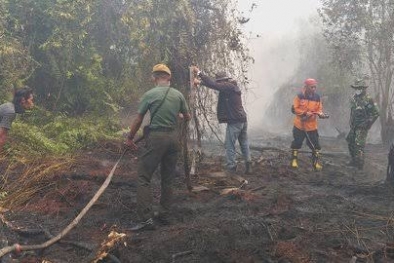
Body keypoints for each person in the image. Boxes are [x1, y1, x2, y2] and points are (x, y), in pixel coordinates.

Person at [125, 63, 190, 230]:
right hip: (173, 139)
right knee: (168, 178)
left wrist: (130, 138)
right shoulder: (178, 95)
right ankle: (165, 214)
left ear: (154, 78)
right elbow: (187, 116)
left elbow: (139, 119)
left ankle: (145, 219)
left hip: (156, 138)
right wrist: (178, 115)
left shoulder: (150, 94)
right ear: (169, 78)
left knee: (143, 177)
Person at [192, 66, 252, 175]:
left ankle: (231, 168)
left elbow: (214, 85)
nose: (219, 83)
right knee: (244, 143)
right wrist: (200, 83)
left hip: (235, 121)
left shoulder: (228, 86)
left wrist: (199, 73)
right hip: (242, 119)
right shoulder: (232, 86)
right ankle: (248, 164)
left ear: (223, 80)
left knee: (229, 144)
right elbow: (215, 86)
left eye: (220, 81)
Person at [290, 78, 327, 171]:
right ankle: (294, 160)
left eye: (315, 87)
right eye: (312, 87)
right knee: (297, 143)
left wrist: (321, 114)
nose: (314, 89)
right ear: (306, 87)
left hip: (312, 126)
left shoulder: (317, 97)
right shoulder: (299, 96)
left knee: (316, 145)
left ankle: (316, 163)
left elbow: (319, 108)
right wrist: (305, 113)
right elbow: (295, 108)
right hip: (300, 125)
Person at [346, 78, 379, 170]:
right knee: (350, 141)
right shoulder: (354, 98)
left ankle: (359, 165)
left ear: (364, 88)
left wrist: (369, 123)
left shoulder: (369, 99)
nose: (357, 89)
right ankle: (354, 160)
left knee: (359, 145)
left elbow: (376, 113)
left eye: (359, 88)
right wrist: (351, 122)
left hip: (363, 126)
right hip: (354, 125)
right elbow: (353, 111)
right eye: (356, 88)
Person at [0, 86, 34, 151]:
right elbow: (1, 136)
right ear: (23, 100)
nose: (32, 103)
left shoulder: (9, 107)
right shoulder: (10, 112)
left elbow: (3, 136)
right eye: (31, 100)